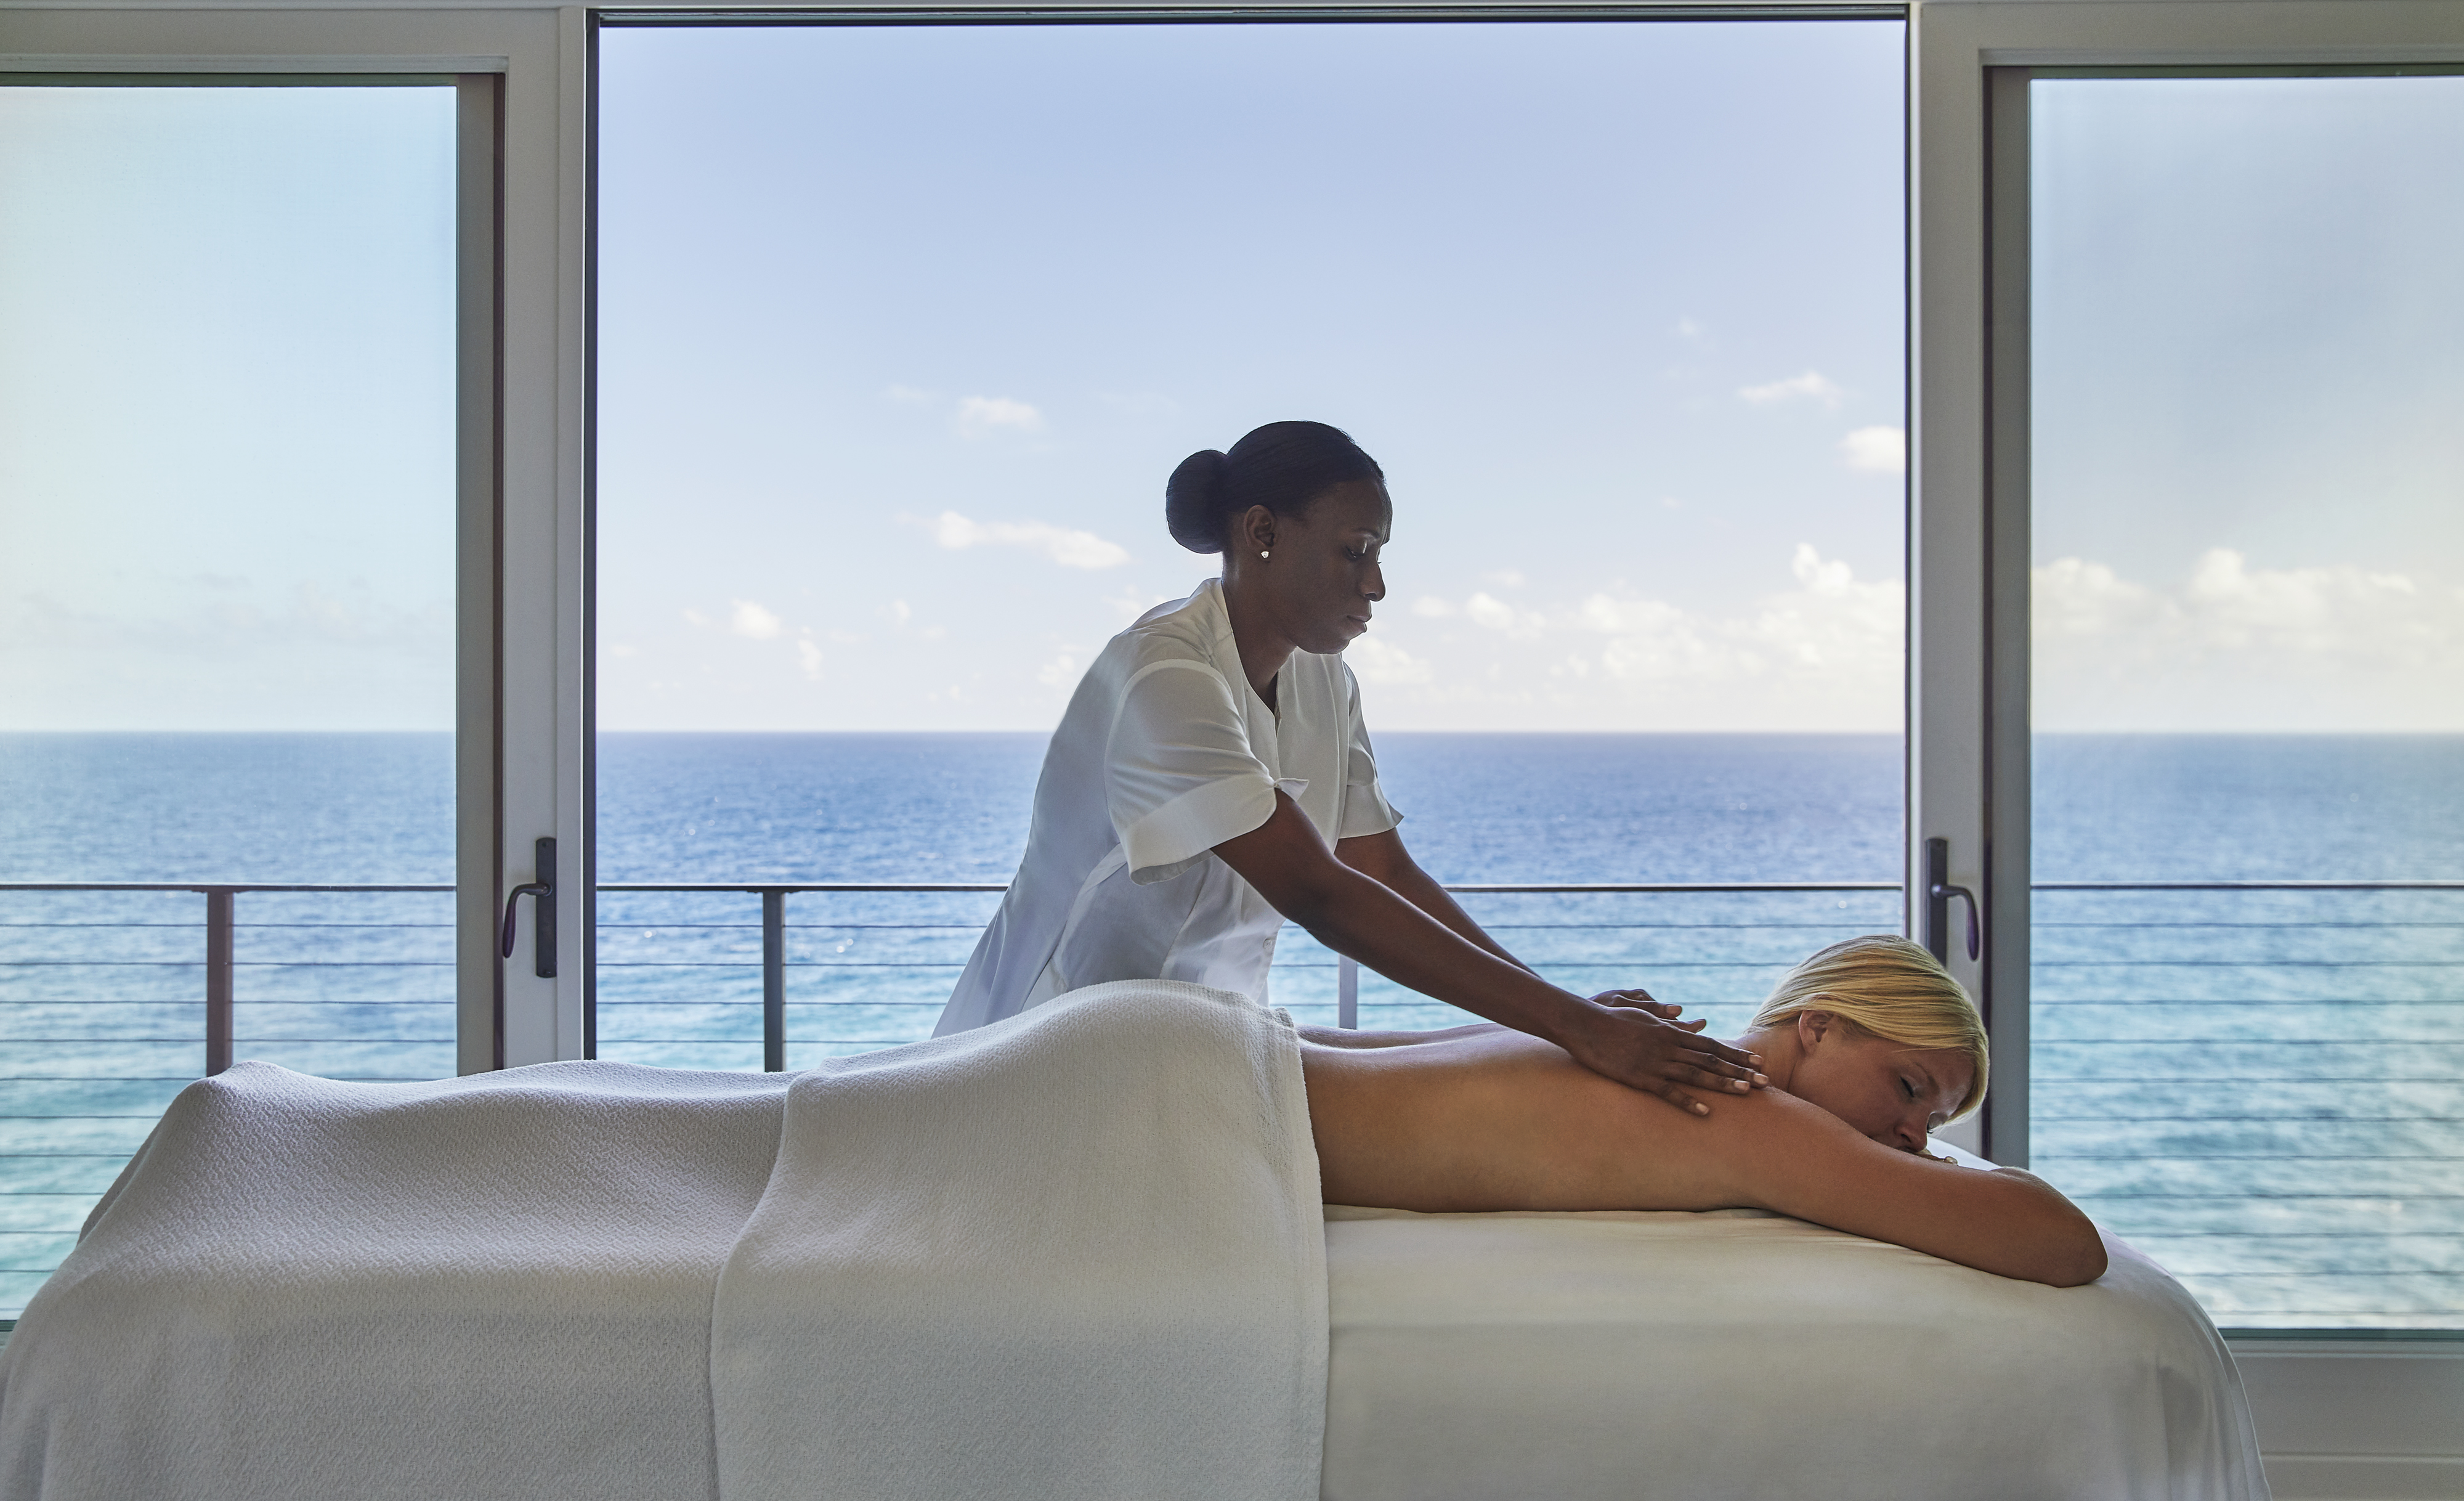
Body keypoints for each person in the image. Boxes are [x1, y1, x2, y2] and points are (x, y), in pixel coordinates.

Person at [934, 420, 1764, 1115]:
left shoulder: (1323, 677)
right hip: (1045, 1055)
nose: (1377, 583)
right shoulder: (1162, 674)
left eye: (1380, 554)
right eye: (1355, 551)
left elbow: (1383, 869)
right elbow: (1316, 891)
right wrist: (1576, 1028)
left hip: (1191, 1057)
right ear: (1261, 533)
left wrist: (1559, 1014)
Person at [1302, 935, 2107, 1288]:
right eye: (1907, 1089)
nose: (1910, 1136)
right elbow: (2065, 1244)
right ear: (1818, 1025)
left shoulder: (1643, 1050)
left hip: (1232, 1050)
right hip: (1218, 1104)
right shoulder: (1738, 1110)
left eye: (1934, 1129)